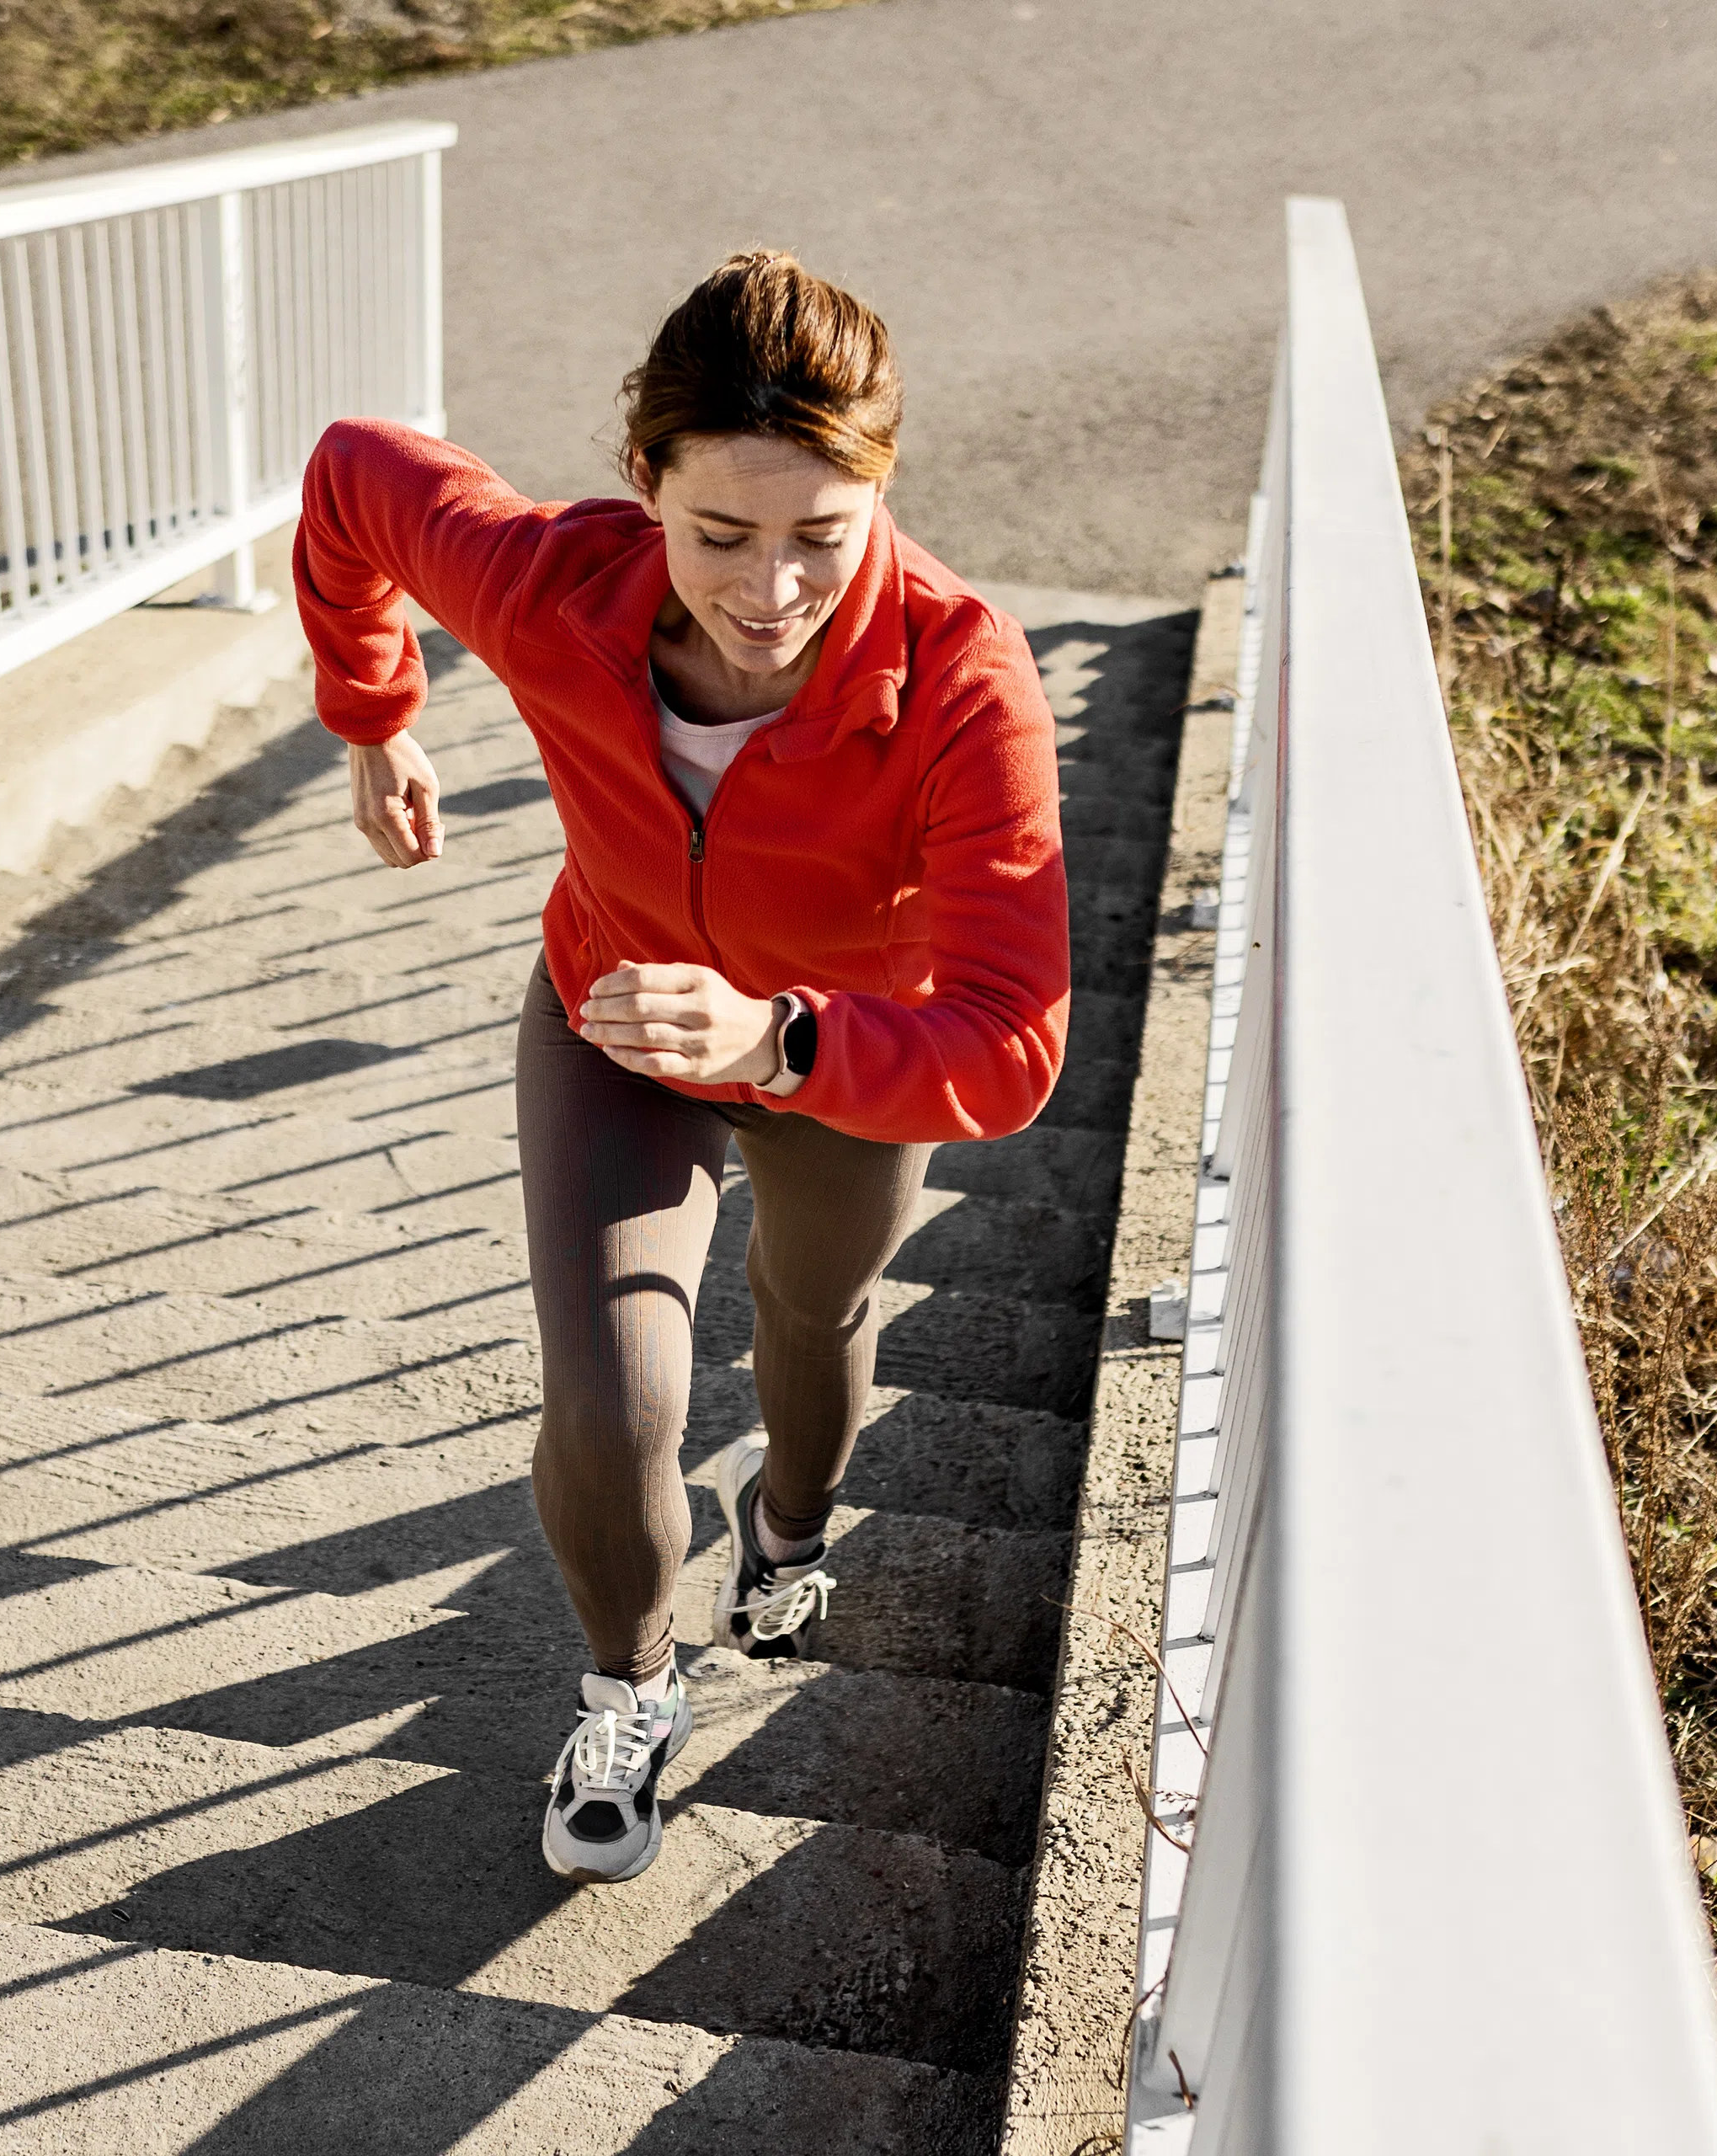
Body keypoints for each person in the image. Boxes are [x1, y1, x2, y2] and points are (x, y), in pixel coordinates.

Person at [291, 250, 1070, 1885]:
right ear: (645, 481)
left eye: (822, 536)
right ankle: (632, 1691)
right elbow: (357, 473)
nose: (772, 589)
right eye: (720, 532)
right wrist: (376, 716)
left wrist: (784, 1036)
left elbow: (1010, 1045)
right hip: (613, 1022)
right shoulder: (550, 582)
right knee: (617, 1400)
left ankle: (787, 1535)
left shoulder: (964, 684)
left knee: (812, 1323)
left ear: (883, 488)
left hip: (843, 1056)